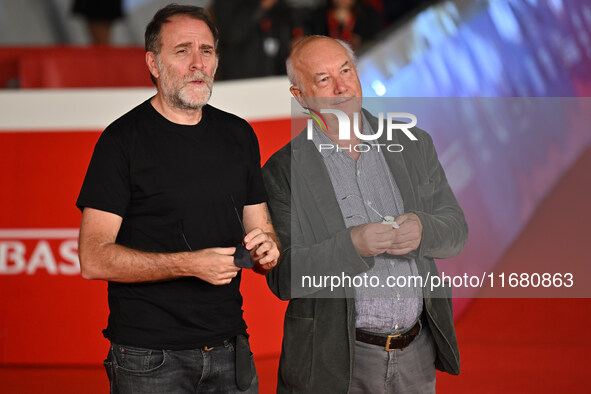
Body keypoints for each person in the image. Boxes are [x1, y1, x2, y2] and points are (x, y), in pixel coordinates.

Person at [76, 4, 280, 393]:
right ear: (153, 63)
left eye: (206, 50)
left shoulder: (240, 136)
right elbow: (93, 257)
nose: (197, 63)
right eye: (183, 50)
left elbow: (261, 230)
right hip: (149, 358)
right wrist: (190, 264)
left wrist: (268, 249)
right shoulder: (121, 142)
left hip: (231, 347)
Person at [262, 35, 468, 393]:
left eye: (346, 70)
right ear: (300, 96)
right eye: (324, 79)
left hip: (418, 353)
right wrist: (352, 246)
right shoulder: (283, 171)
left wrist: (423, 229)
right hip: (336, 362)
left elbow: (456, 231)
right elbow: (284, 277)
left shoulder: (412, 143)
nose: (342, 86)